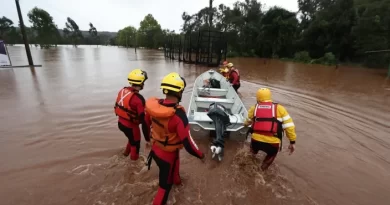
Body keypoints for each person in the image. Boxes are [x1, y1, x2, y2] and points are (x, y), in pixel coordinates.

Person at [145, 72, 205, 205]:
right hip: (167, 157)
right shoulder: (178, 115)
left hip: (155, 150)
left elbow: (145, 123)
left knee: (173, 174)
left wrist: (147, 140)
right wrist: (201, 155)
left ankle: (178, 184)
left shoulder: (154, 107)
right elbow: (188, 144)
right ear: (180, 92)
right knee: (164, 188)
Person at [244, 88, 296, 171]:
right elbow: (289, 126)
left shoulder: (254, 108)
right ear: (270, 97)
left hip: (256, 140)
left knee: (251, 154)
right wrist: (292, 142)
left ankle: (248, 166)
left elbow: (247, 121)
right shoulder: (280, 108)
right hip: (273, 143)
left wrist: (245, 124)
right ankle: (261, 171)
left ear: (257, 98)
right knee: (270, 157)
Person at [114, 69, 150, 161]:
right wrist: (148, 139)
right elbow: (143, 121)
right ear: (141, 83)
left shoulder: (123, 90)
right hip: (131, 127)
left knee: (131, 139)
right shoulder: (139, 99)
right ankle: (133, 167)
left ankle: (125, 154)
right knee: (136, 144)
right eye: (144, 82)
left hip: (120, 123)